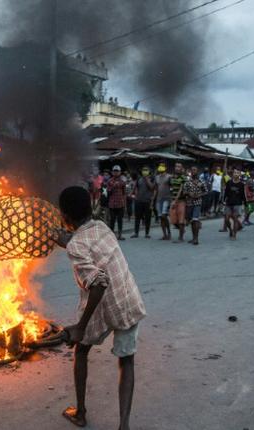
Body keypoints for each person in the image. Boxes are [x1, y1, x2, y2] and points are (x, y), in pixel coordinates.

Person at [53, 186, 147, 430]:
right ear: (91, 207)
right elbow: (90, 244)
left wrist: (79, 327)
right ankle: (124, 426)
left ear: (65, 217)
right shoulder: (103, 227)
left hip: (101, 305)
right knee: (127, 361)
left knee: (81, 351)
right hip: (126, 301)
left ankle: (81, 413)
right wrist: (71, 240)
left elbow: (99, 283)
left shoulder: (76, 246)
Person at [181, 166, 206, 245]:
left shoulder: (201, 181)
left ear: (197, 171)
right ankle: (193, 237)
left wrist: (199, 194)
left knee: (195, 220)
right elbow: (184, 191)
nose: (193, 171)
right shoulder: (188, 181)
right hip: (189, 203)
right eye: (192, 170)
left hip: (197, 203)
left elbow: (206, 191)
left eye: (195, 170)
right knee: (192, 221)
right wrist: (188, 193)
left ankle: (196, 239)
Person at [131, 167, 155, 238]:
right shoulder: (139, 179)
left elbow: (152, 187)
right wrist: (134, 195)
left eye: (146, 170)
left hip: (148, 201)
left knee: (148, 218)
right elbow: (135, 188)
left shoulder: (152, 178)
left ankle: (147, 233)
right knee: (137, 217)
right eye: (143, 170)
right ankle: (136, 233)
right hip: (139, 200)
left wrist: (147, 179)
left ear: (149, 171)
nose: (144, 171)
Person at [222, 170, 246, 240]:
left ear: (239, 175)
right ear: (232, 174)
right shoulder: (229, 182)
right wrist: (223, 200)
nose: (236, 174)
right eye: (234, 173)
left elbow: (243, 195)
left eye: (237, 173)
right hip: (229, 203)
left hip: (238, 203)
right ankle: (231, 230)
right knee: (226, 219)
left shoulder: (241, 184)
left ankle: (234, 235)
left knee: (235, 219)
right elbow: (226, 192)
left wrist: (245, 204)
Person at [106, 165, 127, 240]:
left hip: (120, 203)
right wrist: (113, 186)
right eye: (114, 171)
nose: (116, 172)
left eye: (117, 171)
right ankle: (111, 236)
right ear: (112, 172)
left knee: (120, 220)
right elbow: (108, 192)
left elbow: (124, 193)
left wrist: (125, 204)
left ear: (120, 172)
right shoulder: (109, 181)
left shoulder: (122, 181)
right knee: (112, 220)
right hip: (112, 204)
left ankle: (120, 235)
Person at [169, 163, 188, 242]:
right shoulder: (172, 177)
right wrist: (171, 199)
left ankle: (181, 237)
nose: (177, 168)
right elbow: (171, 188)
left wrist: (175, 200)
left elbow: (181, 189)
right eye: (176, 166)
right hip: (173, 200)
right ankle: (182, 230)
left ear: (182, 168)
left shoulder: (184, 178)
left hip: (181, 201)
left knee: (181, 219)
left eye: (179, 167)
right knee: (173, 220)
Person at [154, 163, 173, 240]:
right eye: (160, 166)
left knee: (164, 216)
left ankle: (169, 233)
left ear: (165, 168)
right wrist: (153, 199)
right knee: (161, 217)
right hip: (159, 199)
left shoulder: (169, 177)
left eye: (162, 166)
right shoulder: (157, 177)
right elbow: (156, 188)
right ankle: (164, 234)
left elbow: (172, 187)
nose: (161, 167)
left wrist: (172, 198)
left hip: (167, 198)